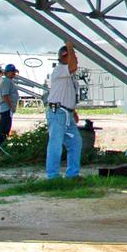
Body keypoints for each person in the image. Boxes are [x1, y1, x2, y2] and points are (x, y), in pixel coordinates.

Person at [45, 41, 82, 179]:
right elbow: (72, 66)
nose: (76, 60)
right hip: (58, 113)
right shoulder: (61, 69)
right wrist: (70, 47)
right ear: (65, 57)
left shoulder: (69, 75)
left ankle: (73, 174)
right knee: (56, 144)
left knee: (75, 142)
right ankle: (52, 176)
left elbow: (67, 94)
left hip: (66, 113)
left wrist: (73, 111)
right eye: (73, 56)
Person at [0, 64, 19, 147]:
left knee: (6, 128)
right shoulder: (7, 82)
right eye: (12, 71)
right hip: (6, 109)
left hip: (7, 109)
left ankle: (2, 146)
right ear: (7, 72)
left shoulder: (9, 81)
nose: (14, 73)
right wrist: (11, 107)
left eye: (14, 71)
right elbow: (5, 95)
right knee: (3, 128)